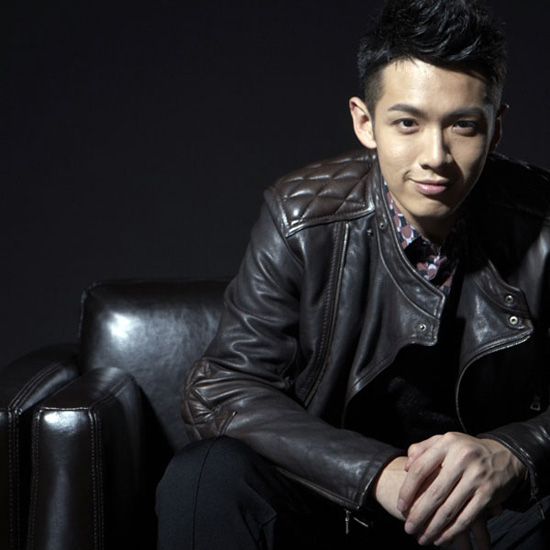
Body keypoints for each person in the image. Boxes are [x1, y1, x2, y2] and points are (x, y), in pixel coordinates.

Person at [156, 0, 550, 548]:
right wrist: (378, 473)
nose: (435, 156)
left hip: (493, 517)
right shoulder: (302, 217)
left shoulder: (541, 221)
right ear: (366, 123)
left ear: (496, 128)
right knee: (207, 473)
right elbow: (223, 386)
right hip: (336, 510)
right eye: (407, 123)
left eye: (463, 126)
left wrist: (513, 454)